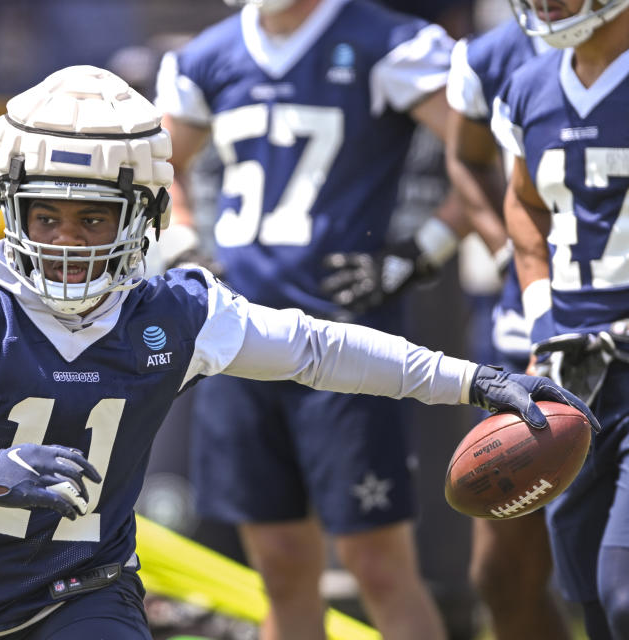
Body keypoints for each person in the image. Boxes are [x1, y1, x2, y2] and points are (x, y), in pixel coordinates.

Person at [0, 65, 598, 640]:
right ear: (6, 204)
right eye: (46, 217)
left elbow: (318, 347)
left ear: (141, 213)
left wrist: (472, 379)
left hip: (82, 593)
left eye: (92, 219)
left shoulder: (175, 311)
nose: (67, 241)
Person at [154, 0, 473, 637]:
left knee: (378, 562)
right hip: (241, 335)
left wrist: (421, 250)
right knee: (277, 563)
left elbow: (486, 159)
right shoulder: (206, 56)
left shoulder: (388, 41)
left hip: (346, 332)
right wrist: (184, 245)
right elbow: (158, 168)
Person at [492, 0, 629, 637]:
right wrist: (544, 323)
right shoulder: (528, 87)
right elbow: (523, 205)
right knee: (586, 596)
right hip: (572, 371)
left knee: (622, 590)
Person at [445, 19, 572, 640]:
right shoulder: (493, 58)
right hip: (525, 342)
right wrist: (511, 255)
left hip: (615, 333)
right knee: (502, 574)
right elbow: (467, 161)